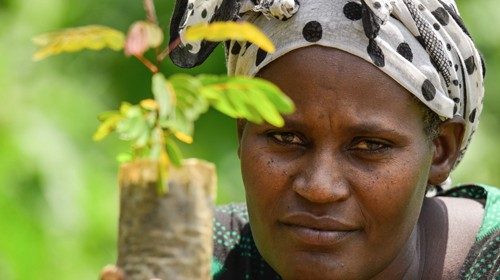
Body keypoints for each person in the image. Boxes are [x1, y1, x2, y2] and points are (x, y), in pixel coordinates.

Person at [169, 0, 499, 279]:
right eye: (286, 137)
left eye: (370, 146)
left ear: (441, 150)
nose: (319, 188)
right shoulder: (192, 256)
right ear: (242, 134)